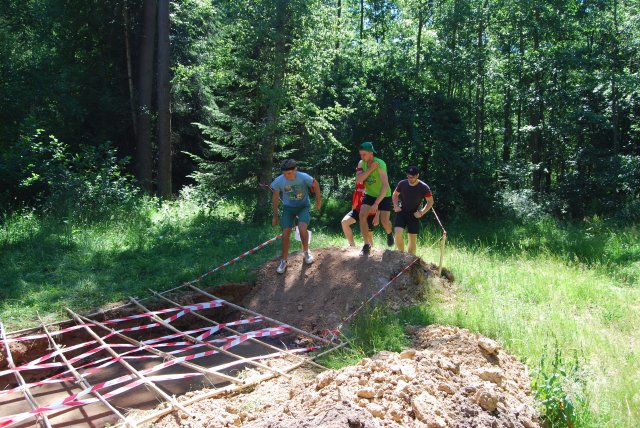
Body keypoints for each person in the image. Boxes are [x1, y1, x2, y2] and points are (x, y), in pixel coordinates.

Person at [271, 159, 322, 274]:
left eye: (289, 173)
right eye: (284, 174)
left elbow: (316, 184)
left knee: (302, 228)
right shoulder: (279, 181)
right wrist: (275, 216)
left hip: (303, 206)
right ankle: (284, 261)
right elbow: (275, 198)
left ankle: (306, 252)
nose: (287, 176)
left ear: (295, 170)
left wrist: (318, 202)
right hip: (288, 208)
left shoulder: (303, 177)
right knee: (285, 233)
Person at [356, 142, 394, 256]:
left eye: (364, 154)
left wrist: (377, 203)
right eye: (361, 154)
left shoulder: (380, 164)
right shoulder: (361, 163)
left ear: (371, 153)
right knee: (362, 215)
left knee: (385, 222)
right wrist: (370, 169)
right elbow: (359, 180)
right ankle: (366, 245)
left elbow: (385, 185)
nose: (362, 157)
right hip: (370, 194)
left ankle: (389, 233)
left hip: (384, 194)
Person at [392, 166, 434, 255]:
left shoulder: (423, 187)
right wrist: (395, 205)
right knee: (398, 232)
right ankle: (401, 255)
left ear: (417, 175)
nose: (410, 179)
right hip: (402, 211)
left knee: (412, 239)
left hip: (414, 214)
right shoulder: (402, 183)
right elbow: (395, 194)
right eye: (408, 176)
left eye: (412, 177)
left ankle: (410, 259)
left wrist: (422, 212)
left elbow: (430, 201)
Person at [341, 164, 380, 247]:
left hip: (370, 213)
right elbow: (356, 195)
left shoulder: (373, 185)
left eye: (361, 173)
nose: (358, 174)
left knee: (368, 238)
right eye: (358, 172)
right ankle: (352, 246)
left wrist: (377, 216)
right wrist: (353, 208)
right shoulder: (358, 183)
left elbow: (380, 201)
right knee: (344, 222)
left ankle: (371, 252)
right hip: (358, 210)